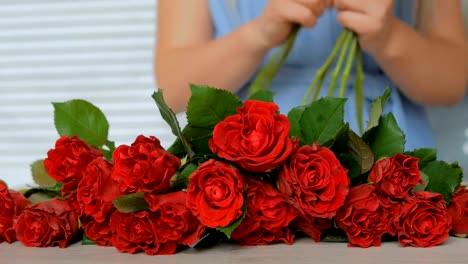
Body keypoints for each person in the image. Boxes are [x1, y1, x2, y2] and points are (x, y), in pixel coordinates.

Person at [155, 0, 468, 150]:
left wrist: (388, 37)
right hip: (251, 165)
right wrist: (260, 34)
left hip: (387, 166)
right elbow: (175, 90)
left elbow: (451, 83)